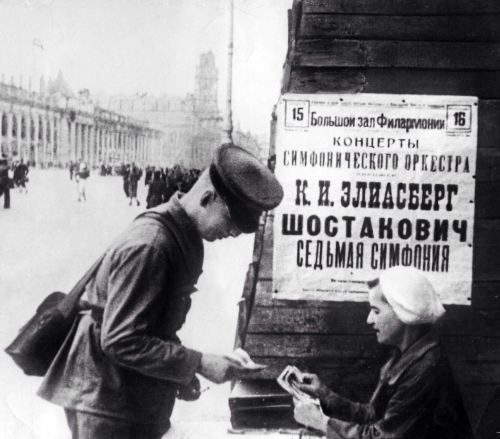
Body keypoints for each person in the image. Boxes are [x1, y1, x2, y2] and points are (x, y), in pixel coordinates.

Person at [37, 143, 284, 439]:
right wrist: (200, 362)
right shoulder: (152, 245)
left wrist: (188, 369)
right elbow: (120, 339)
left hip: (128, 393)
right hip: (107, 400)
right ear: (207, 198)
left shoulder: (180, 233)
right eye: (232, 221)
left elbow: (151, 323)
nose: (232, 233)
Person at [293, 266, 473, 439]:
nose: (369, 320)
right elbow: (373, 415)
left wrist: (321, 422)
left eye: (376, 311)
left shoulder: (427, 368)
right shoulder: (405, 355)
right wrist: (325, 395)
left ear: (403, 313)